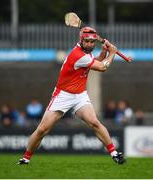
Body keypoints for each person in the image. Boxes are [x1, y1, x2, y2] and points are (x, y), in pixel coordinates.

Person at [18, 27, 125, 165]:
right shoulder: (78, 55)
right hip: (63, 95)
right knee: (42, 130)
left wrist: (104, 52)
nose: (90, 44)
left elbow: (95, 62)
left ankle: (114, 154)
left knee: (94, 123)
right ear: (81, 40)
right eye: (87, 41)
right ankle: (25, 158)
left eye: (93, 42)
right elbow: (102, 67)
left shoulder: (86, 53)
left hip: (80, 95)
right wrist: (112, 53)